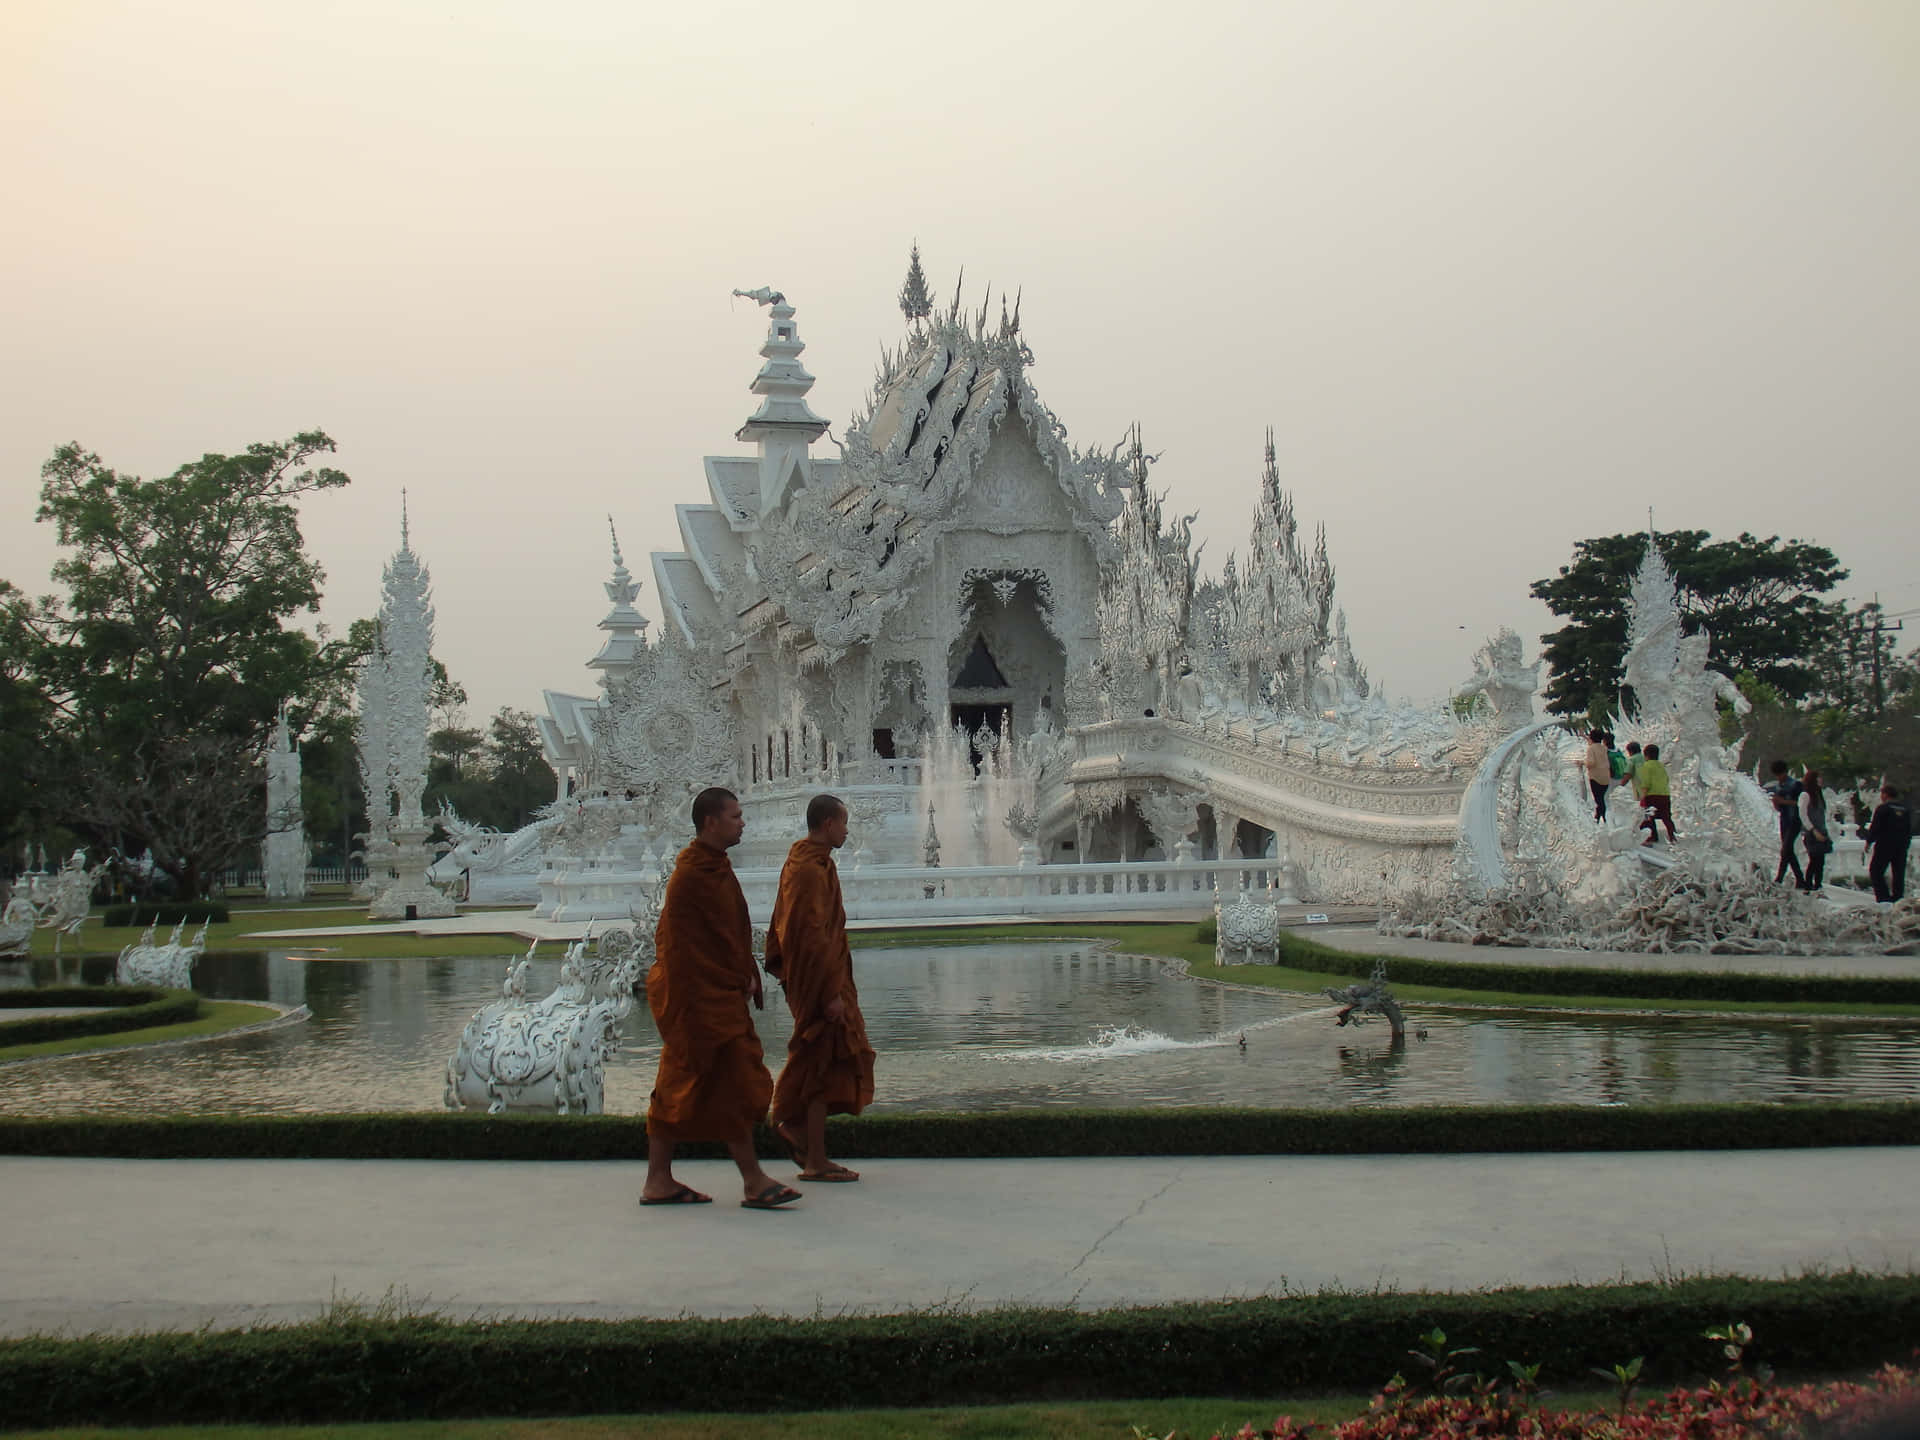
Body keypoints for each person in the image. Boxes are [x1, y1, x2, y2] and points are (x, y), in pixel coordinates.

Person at [641, 786, 800, 1211]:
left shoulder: (716, 867)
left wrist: (748, 970)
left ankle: (661, 1179)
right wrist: (720, 983)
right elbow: (680, 948)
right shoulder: (691, 875)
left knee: (697, 1084)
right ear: (710, 822)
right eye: (735, 816)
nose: (742, 822)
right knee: (708, 1083)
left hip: (717, 996)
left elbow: (729, 930)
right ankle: (751, 1179)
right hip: (696, 999)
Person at [765, 793, 876, 1183]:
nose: (847, 831)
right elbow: (810, 935)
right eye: (843, 823)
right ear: (828, 824)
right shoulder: (809, 870)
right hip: (819, 982)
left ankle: (805, 1140)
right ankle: (808, 1149)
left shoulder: (811, 862)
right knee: (817, 1065)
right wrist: (828, 992)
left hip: (821, 977)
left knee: (826, 1063)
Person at [1865, 783, 1912, 904]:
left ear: (1885, 795)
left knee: (1876, 871)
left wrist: (1869, 841)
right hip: (1901, 846)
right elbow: (1908, 829)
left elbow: (1875, 827)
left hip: (1885, 845)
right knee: (1898, 873)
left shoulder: (1883, 808)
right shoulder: (1905, 809)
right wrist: (1906, 845)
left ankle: (1884, 899)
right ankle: (1898, 899)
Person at [1766, 760, 1806, 888]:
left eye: (1780, 774)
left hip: (1794, 820)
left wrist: (1783, 801)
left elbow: (1801, 803)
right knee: (1788, 850)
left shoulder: (1796, 785)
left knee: (1786, 849)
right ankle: (1800, 879)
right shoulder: (1778, 787)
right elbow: (1779, 808)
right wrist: (1776, 803)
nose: (1779, 777)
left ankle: (1780, 879)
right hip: (1784, 820)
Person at [1797, 768, 1831, 892]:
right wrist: (1812, 830)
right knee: (1814, 860)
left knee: (1820, 861)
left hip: (1821, 830)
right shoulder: (1805, 795)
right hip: (1812, 832)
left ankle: (1818, 885)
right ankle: (1808, 885)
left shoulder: (1818, 795)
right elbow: (1803, 815)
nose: (1820, 780)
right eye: (1818, 778)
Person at [1637, 743, 1675, 844]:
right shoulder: (1661, 766)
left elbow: (1646, 782)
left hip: (1651, 795)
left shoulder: (1646, 766)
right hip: (1665, 794)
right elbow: (1666, 779)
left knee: (1648, 816)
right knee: (1666, 817)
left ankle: (1652, 836)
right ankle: (1673, 836)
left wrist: (1642, 797)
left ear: (1646, 755)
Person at [1584, 729, 1611, 822]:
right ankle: (1599, 817)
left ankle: (1602, 818)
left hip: (1596, 777)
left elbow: (1591, 763)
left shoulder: (1591, 749)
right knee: (1601, 798)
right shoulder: (1604, 748)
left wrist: (1583, 762)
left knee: (1598, 800)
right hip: (1606, 776)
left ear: (1591, 737)